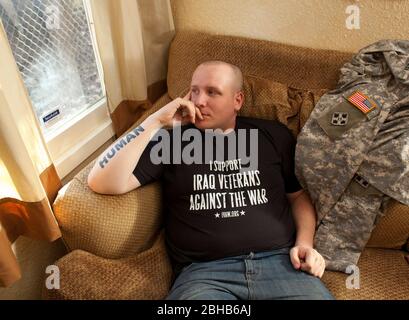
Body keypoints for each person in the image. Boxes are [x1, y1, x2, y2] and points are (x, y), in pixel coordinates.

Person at [87, 61, 334, 300]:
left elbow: (298, 196)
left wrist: (304, 244)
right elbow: (101, 180)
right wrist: (155, 122)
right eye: (194, 91)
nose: (199, 101)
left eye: (212, 92)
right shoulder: (173, 141)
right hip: (204, 275)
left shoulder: (272, 135)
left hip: (281, 265)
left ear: (238, 100)